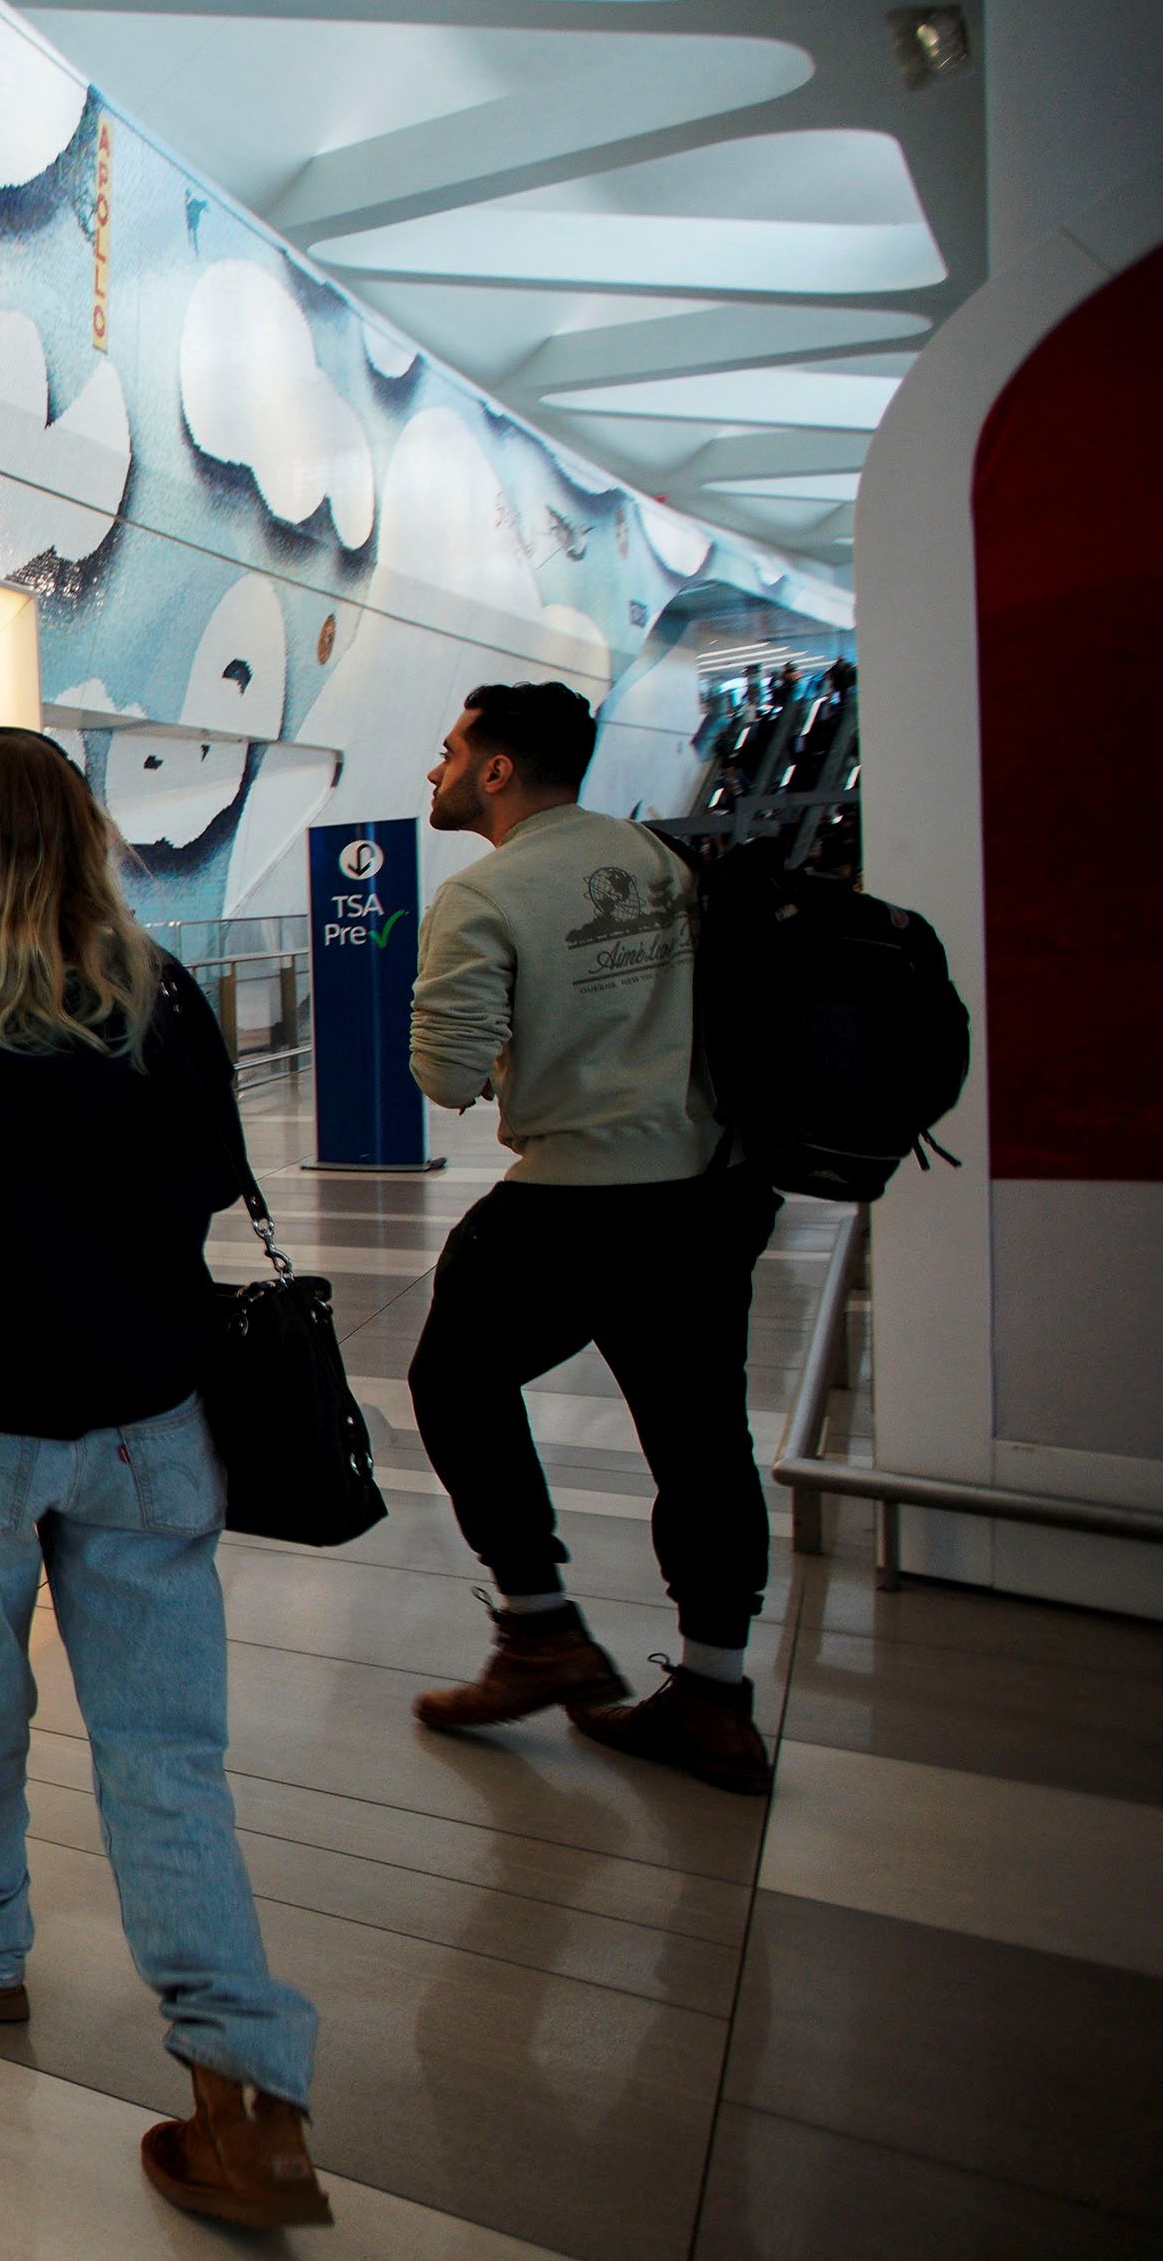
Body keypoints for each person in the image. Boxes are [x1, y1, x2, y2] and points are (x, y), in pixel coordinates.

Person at [0, 729, 326, 2231]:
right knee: (167, 1751)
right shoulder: (155, 991)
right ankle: (244, 2099)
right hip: (147, 1415)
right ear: (82, 831)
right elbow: (204, 1183)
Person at [404, 681, 783, 1795]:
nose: (431, 771)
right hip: (699, 1198)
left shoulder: (485, 894)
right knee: (700, 1438)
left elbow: (444, 1076)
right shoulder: (667, 867)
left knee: (451, 1381)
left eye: (446, 750)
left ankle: (539, 1628)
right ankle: (713, 1697)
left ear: (494, 771)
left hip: (572, 1200)